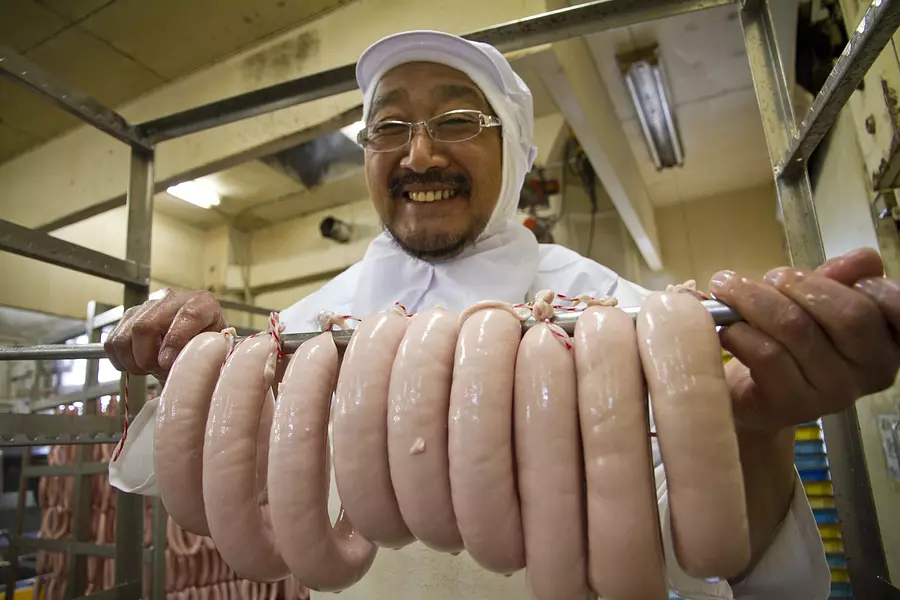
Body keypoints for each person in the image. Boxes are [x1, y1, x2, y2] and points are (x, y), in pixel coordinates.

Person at [106, 31, 900, 600]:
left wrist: (753, 433)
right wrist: (185, 368)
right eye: (390, 127)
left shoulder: (612, 310)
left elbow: (735, 559)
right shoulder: (315, 322)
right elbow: (217, 490)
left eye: (456, 121)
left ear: (514, 151)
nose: (420, 154)